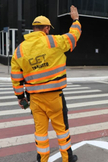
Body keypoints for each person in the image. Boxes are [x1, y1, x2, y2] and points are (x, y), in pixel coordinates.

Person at [10, 5, 81, 162]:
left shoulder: (19, 50)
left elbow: (15, 76)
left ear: (34, 28)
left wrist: (20, 97)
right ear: (47, 28)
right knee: (62, 130)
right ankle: (67, 158)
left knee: (40, 133)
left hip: (35, 100)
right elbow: (73, 36)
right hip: (55, 98)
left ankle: (42, 159)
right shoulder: (53, 41)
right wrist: (75, 20)